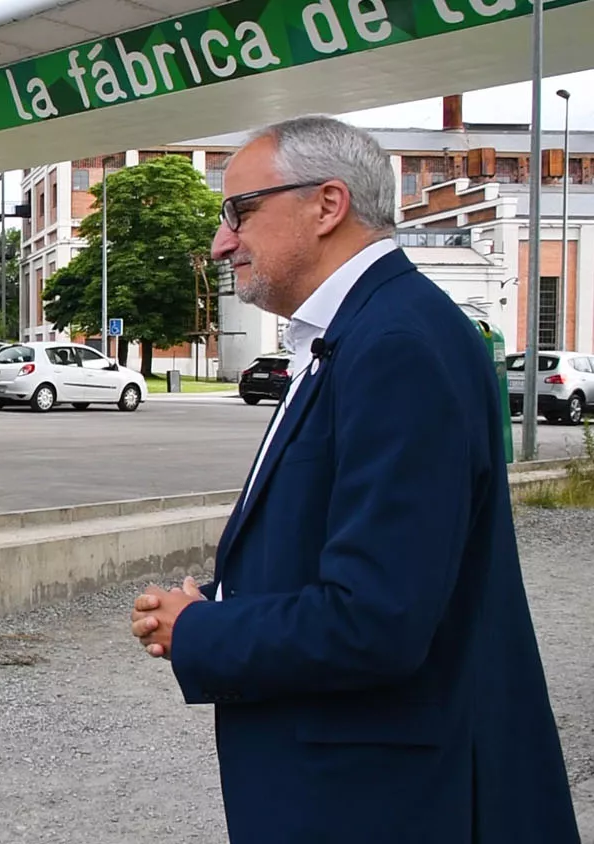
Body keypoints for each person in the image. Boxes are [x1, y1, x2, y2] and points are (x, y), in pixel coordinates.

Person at [129, 116, 580, 843]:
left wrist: (206, 631)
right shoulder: (362, 332)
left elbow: (378, 620)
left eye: (240, 211)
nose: (222, 241)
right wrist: (218, 603)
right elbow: (364, 553)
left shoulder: (394, 343)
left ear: (327, 205)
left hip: (384, 802)